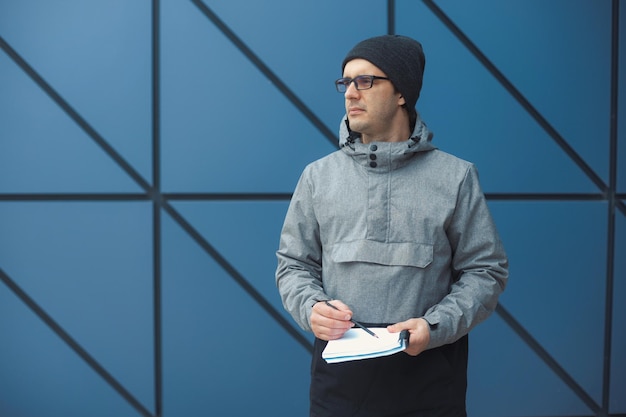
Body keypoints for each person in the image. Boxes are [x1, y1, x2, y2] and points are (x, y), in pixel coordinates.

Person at [275, 34, 509, 417]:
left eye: (364, 81)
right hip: (339, 383)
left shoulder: (455, 177)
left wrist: (435, 326)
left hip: (429, 377)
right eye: (345, 83)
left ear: (402, 92)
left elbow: (486, 271)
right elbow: (293, 265)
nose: (350, 93)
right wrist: (311, 307)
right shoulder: (318, 177)